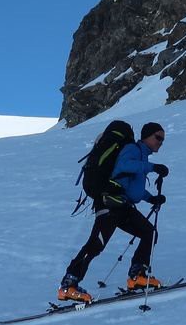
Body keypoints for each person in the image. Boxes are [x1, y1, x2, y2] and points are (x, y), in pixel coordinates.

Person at [57, 122, 170, 303]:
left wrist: (151, 198)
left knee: (148, 232)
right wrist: (153, 167)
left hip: (122, 205)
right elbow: (124, 165)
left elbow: (133, 188)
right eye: (158, 137)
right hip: (110, 204)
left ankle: (137, 276)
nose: (160, 142)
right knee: (96, 244)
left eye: (162, 139)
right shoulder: (133, 149)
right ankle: (68, 284)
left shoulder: (141, 156)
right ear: (147, 136)